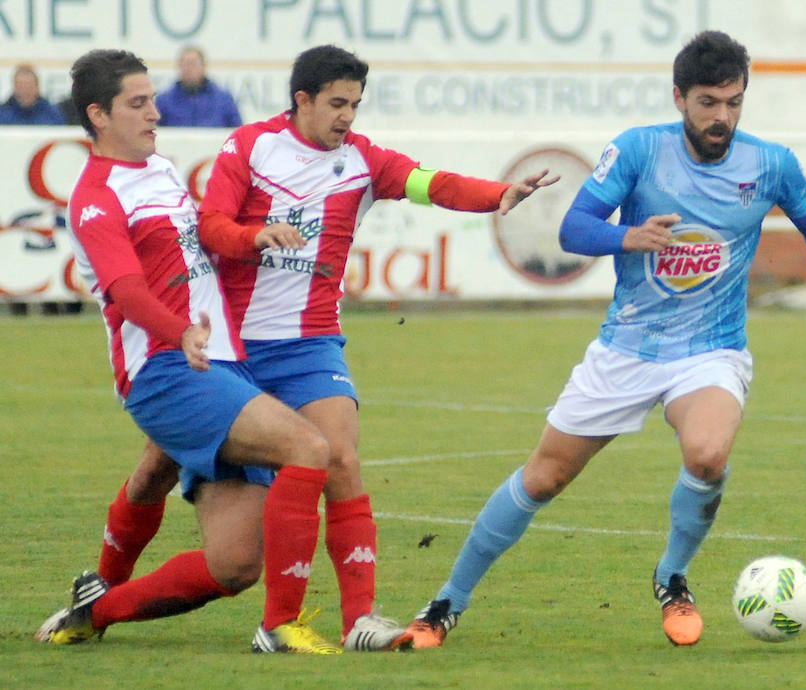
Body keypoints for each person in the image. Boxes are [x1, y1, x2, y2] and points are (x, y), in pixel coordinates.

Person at [404, 30, 806, 649]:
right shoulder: (639, 151)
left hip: (710, 350)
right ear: (679, 97)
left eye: (734, 102)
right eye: (709, 102)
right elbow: (575, 229)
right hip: (627, 350)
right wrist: (625, 238)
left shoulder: (770, 164)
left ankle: (672, 577)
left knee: (708, 455)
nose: (722, 117)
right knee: (543, 478)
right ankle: (446, 603)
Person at [71, 43, 557, 652]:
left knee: (338, 458)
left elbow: (426, 181)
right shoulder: (247, 147)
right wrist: (255, 237)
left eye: (355, 104)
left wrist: (496, 194)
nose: (348, 116)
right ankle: (102, 593)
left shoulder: (360, 161)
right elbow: (214, 228)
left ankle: (359, 619)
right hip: (230, 350)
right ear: (302, 100)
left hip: (308, 346)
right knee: (159, 479)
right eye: (336, 103)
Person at [34, 48, 357, 655]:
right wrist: (176, 330)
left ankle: (96, 606)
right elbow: (126, 288)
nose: (155, 112)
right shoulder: (96, 195)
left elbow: (202, 248)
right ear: (99, 116)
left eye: (153, 98)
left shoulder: (160, 170)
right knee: (309, 448)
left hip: (220, 364)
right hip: (165, 369)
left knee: (233, 565)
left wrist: (257, 240)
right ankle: (280, 627)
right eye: (138, 103)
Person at [155, 46, 242, 127]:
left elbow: (238, 133)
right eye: (185, 64)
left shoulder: (224, 100)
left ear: (204, 66)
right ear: (179, 67)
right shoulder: (163, 102)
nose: (189, 69)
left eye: (193, 64)